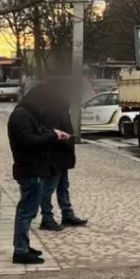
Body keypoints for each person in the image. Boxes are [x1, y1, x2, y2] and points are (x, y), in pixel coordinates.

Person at [7, 85, 70, 265]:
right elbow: (29, 141)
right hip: (30, 169)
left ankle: (23, 246)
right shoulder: (22, 116)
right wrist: (52, 136)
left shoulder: (27, 114)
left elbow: (35, 135)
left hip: (33, 168)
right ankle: (20, 250)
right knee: (26, 212)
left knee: (27, 211)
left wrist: (53, 134)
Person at [38, 79, 88, 231]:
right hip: (55, 156)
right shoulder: (52, 109)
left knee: (63, 186)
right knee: (49, 187)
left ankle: (67, 214)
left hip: (62, 155)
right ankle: (47, 218)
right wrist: (64, 139)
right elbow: (51, 133)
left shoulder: (60, 108)